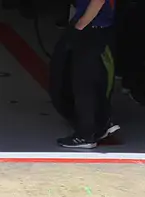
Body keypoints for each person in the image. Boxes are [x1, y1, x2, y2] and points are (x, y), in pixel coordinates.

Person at [54, 0, 119, 149]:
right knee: (96, 81)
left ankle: (86, 135)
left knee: (84, 85)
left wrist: (80, 25)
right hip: (99, 29)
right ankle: (101, 125)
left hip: (91, 30)